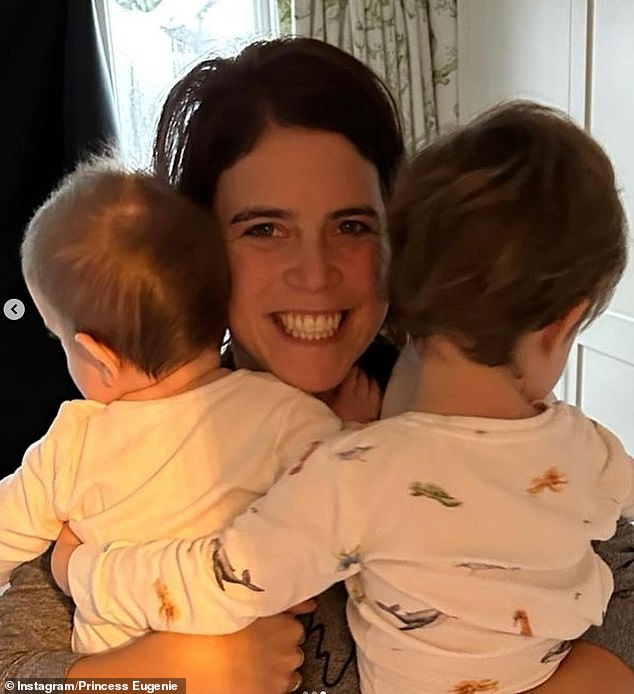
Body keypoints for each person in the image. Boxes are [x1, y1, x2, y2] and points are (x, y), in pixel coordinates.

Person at [1, 38, 633, 694]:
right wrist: (168, 675)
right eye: (264, 229)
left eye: (354, 226)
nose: (315, 274)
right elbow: (17, 672)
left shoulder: (486, 418)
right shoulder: (127, 444)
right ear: (196, 252)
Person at [0, 158, 344, 655]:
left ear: (99, 356)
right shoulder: (287, 415)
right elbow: (353, 504)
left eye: (60, 342)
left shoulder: (73, 442)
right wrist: (350, 426)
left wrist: (77, 572)